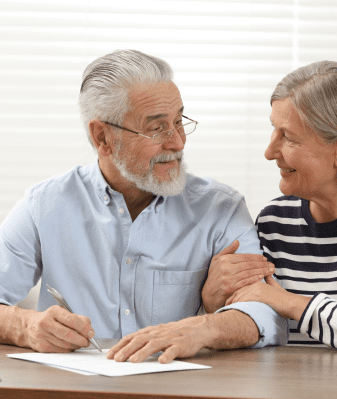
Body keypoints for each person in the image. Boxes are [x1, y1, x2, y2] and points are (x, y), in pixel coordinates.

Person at [0, 50, 287, 363]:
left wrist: (204, 328)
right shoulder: (44, 205)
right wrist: (23, 325)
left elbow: (264, 312)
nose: (177, 142)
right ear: (102, 137)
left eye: (179, 121)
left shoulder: (221, 208)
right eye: (157, 128)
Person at [224, 60, 337, 355]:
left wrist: (290, 302)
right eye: (273, 130)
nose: (269, 152)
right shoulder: (273, 222)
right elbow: (256, 321)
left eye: (288, 137)